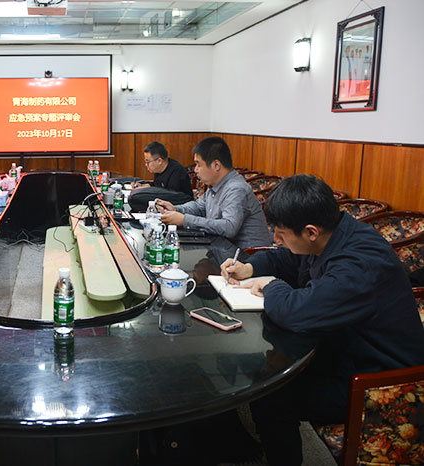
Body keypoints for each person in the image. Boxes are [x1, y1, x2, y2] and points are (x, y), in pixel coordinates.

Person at [221, 174, 424, 466]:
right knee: (262, 371)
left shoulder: (358, 263)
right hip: (349, 348)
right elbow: (287, 258)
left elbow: (296, 313)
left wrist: (272, 286)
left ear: (311, 232)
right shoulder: (332, 234)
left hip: (383, 381)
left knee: (272, 396)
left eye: (280, 233)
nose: (276, 239)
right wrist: (250, 268)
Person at [156, 136, 271, 250]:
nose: (195, 170)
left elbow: (229, 227)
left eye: (199, 165)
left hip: (247, 255)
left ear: (216, 165)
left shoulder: (236, 189)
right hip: (222, 249)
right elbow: (198, 207)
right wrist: (176, 209)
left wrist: (184, 220)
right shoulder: (215, 185)